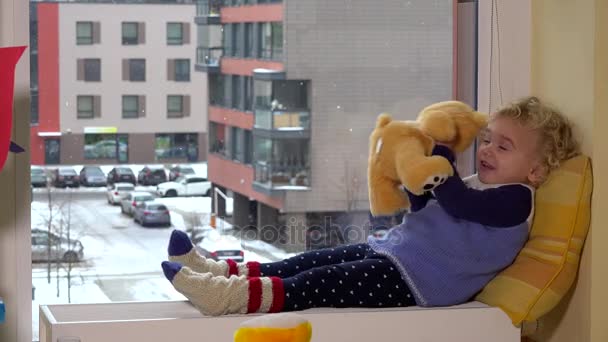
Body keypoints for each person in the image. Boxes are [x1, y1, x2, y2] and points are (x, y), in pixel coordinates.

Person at [161, 96, 580, 316]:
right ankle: (222, 273)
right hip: (395, 252)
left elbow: (459, 203)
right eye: (487, 138)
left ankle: (228, 299)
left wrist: (440, 159)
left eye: (503, 146)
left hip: (419, 282)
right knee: (311, 260)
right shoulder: (478, 185)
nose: (487, 149)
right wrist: (414, 174)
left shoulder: (515, 202)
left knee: (320, 283)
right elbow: (428, 209)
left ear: (537, 171)